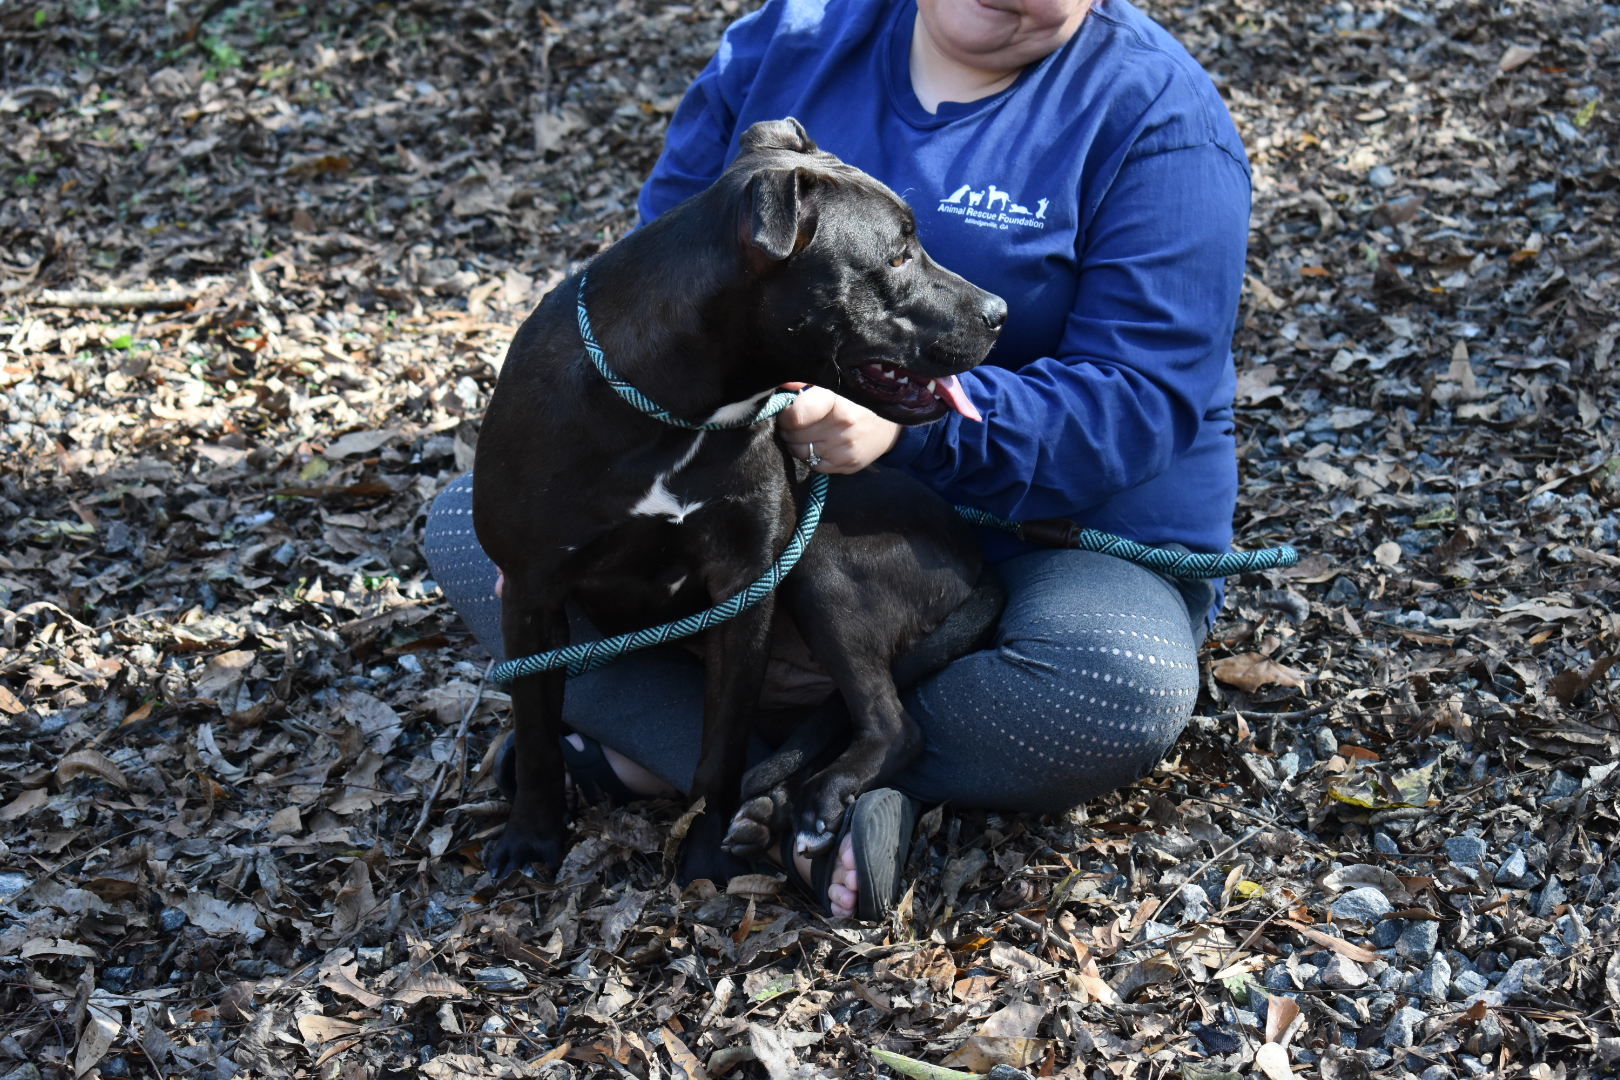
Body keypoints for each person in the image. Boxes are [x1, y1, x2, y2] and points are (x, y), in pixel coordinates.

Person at [423, 0, 1250, 919]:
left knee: (1117, 686)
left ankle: (718, 762)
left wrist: (912, 431)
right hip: (778, 501)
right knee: (470, 531)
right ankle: (806, 794)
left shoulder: (1157, 118)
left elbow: (1141, 399)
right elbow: (670, 283)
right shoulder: (790, 41)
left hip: (1051, 533)